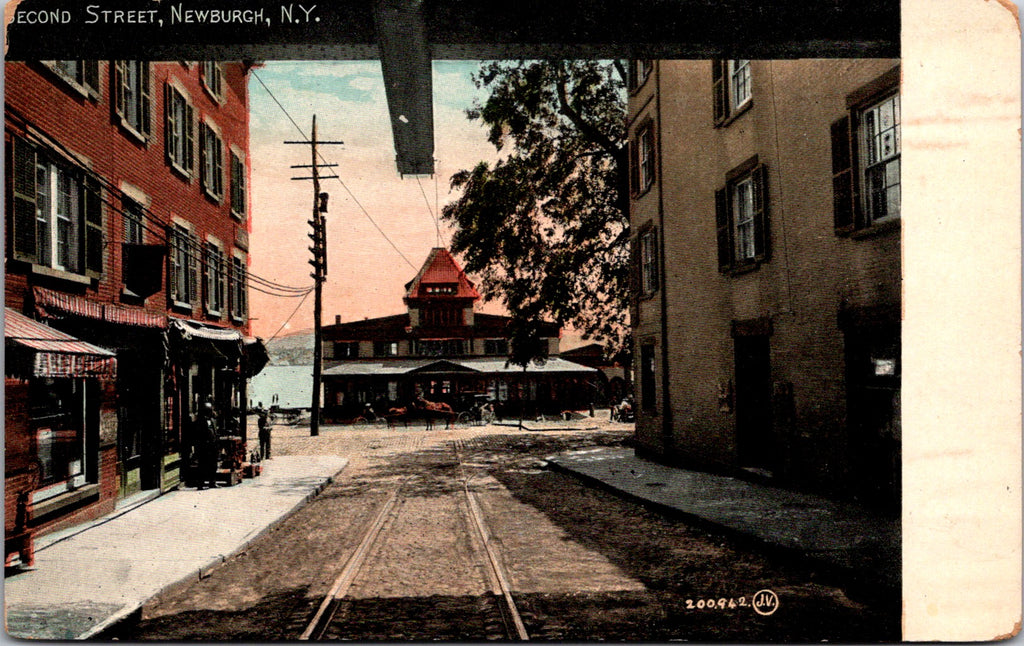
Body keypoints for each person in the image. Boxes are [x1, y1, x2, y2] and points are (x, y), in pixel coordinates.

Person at [196, 401, 220, 489]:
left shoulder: (213, 420)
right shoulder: (200, 421)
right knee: (203, 465)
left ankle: (212, 482)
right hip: (204, 447)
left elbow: (215, 433)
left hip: (213, 447)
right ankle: (201, 484)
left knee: (213, 465)